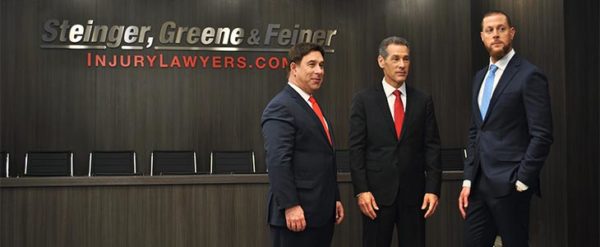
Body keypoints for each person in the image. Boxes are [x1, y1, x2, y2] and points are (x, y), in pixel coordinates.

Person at [458, 10, 553, 247]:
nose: (495, 34)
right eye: (489, 30)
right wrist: (468, 180)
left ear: (512, 33)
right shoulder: (479, 77)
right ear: (482, 37)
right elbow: (475, 131)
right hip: (479, 186)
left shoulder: (529, 75)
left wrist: (522, 180)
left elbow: (542, 134)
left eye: (501, 29)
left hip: (511, 186)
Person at [349, 36, 442, 247]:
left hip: (415, 195)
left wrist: (433, 189)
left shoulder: (423, 100)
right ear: (381, 61)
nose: (402, 65)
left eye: (406, 59)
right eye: (395, 58)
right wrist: (361, 190)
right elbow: (356, 149)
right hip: (376, 197)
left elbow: (432, 147)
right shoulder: (363, 100)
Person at [261, 43, 344, 247]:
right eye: (312, 64)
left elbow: (324, 157)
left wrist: (334, 197)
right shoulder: (281, 106)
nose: (319, 71)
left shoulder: (311, 104)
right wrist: (290, 205)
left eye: (322, 65)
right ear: (294, 68)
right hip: (297, 216)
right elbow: (278, 161)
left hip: (320, 214)